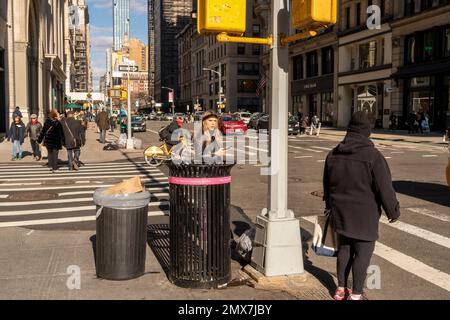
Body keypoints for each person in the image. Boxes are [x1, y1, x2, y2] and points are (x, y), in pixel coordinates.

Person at [323, 111, 400, 301]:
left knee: (344, 249)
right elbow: (384, 188)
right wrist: (393, 211)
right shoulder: (373, 156)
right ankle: (356, 295)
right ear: (367, 131)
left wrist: (330, 206)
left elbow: (327, 184)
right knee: (362, 254)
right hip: (365, 215)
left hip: (340, 212)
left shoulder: (333, 153)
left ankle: (340, 290)